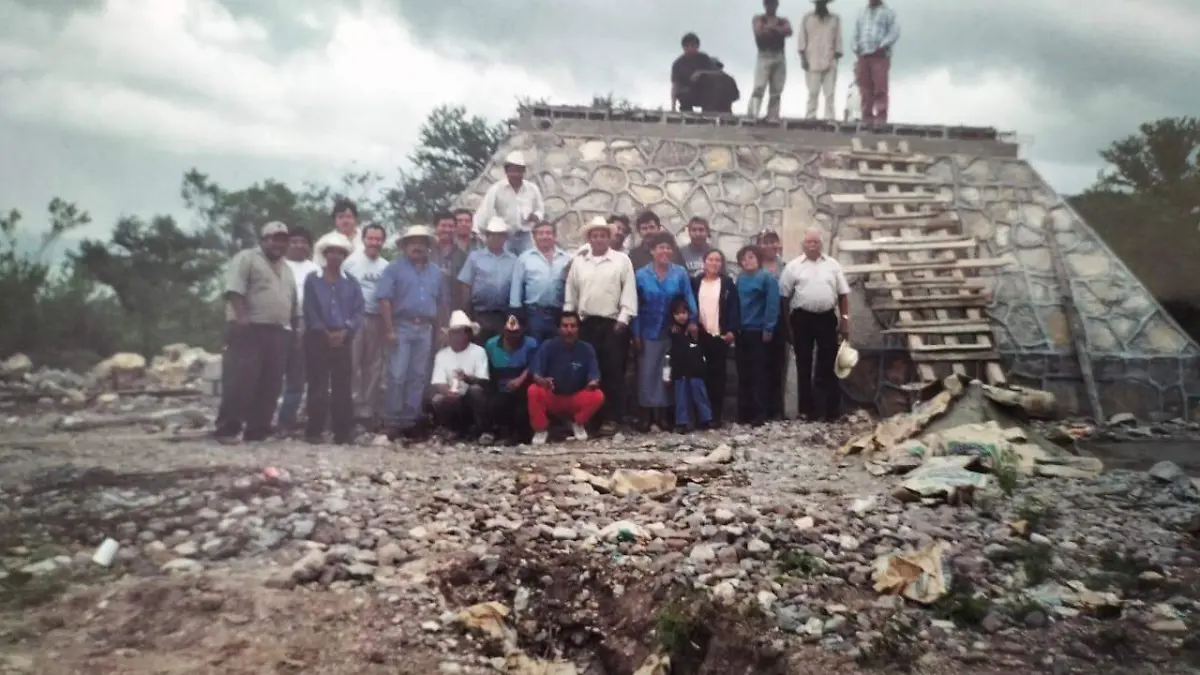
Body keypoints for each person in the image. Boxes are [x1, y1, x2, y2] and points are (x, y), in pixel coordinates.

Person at [214, 221, 298, 443]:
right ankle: (228, 427)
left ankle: (258, 428)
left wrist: (292, 330)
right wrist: (241, 318)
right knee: (240, 380)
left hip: (278, 331)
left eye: (281, 239)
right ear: (263, 240)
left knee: (270, 382)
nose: (277, 244)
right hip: (249, 327)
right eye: (272, 238)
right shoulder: (247, 258)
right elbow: (234, 289)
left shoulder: (287, 268)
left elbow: (292, 302)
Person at [563, 216, 637, 435]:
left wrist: (623, 318)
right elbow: (571, 293)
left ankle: (610, 418)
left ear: (609, 238)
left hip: (613, 324)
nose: (599, 239)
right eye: (594, 236)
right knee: (586, 372)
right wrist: (571, 321)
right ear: (589, 239)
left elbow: (629, 291)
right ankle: (587, 418)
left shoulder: (621, 261)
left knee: (613, 372)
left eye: (603, 235)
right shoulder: (579, 262)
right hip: (585, 324)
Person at [377, 225, 448, 441]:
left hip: (425, 327)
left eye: (422, 242)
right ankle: (392, 421)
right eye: (413, 242)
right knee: (397, 373)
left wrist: (441, 329)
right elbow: (384, 299)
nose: (418, 246)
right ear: (405, 246)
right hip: (402, 325)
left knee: (418, 375)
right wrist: (389, 329)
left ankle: (411, 420)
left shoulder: (436, 272)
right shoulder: (394, 269)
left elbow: (442, 303)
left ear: (428, 246)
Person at [778, 228, 851, 420]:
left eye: (816, 242)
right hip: (802, 320)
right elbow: (784, 298)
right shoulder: (793, 267)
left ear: (821, 244)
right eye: (809, 242)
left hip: (826, 318)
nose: (812, 246)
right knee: (804, 364)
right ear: (803, 245)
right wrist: (788, 327)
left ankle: (830, 410)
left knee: (828, 363)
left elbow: (843, 294)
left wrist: (844, 321)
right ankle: (806, 410)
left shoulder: (833, 265)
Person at [631, 233, 698, 432]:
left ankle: (663, 416)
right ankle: (646, 415)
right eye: (660, 247)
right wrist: (635, 333)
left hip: (672, 331)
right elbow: (634, 305)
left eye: (668, 248)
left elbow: (689, 298)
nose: (665, 251)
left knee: (667, 373)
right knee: (647, 373)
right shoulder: (641, 275)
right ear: (652, 251)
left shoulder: (679, 273)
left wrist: (692, 321)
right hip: (647, 330)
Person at [302, 232, 364, 444]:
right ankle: (314, 431)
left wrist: (346, 330)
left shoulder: (352, 283)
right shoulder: (313, 280)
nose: (336, 256)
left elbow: (358, 310)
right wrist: (324, 332)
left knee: (342, 386)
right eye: (332, 252)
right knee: (317, 384)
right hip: (318, 338)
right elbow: (309, 309)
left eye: (340, 253)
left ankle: (342, 432)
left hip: (344, 337)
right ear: (325, 254)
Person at [527, 312, 605, 445]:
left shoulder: (587, 348)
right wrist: (543, 381)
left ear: (578, 329)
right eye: (565, 326)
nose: (569, 330)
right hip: (552, 396)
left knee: (597, 396)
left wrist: (593, 382)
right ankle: (541, 429)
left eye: (573, 326)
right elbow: (535, 373)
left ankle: (578, 423)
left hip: (575, 397)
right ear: (558, 329)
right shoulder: (548, 346)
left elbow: (594, 375)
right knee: (533, 390)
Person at [344, 223, 389, 427]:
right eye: (370, 238)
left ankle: (366, 411)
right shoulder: (351, 262)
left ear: (383, 241)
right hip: (354, 317)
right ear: (363, 240)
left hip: (376, 318)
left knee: (374, 365)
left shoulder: (386, 266)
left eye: (378, 239)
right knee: (352, 364)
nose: (374, 243)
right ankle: (350, 407)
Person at [277, 226, 320, 432]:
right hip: (278, 324)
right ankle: (259, 422)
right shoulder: (278, 266)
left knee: (297, 376)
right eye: (294, 241)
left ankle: (287, 422)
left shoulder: (315, 269)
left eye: (303, 241)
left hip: (305, 324)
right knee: (271, 375)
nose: (298, 245)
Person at [691, 249, 738, 427]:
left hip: (719, 336)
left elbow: (733, 307)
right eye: (710, 259)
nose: (714, 263)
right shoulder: (695, 282)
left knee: (718, 377)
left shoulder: (727, 283)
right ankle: (701, 415)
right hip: (700, 336)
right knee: (699, 375)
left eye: (718, 260)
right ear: (704, 262)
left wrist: (732, 330)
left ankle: (716, 416)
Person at [734, 245, 780, 427]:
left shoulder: (766, 278)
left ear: (758, 259)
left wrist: (769, 328)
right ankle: (743, 413)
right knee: (743, 372)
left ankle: (759, 413)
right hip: (741, 331)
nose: (748, 261)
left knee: (758, 373)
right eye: (744, 258)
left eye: (751, 257)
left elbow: (772, 303)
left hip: (759, 331)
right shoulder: (740, 279)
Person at [428, 310, 490, 441]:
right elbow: (438, 382)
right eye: (454, 332)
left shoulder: (479, 352)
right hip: (452, 397)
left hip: (470, 397)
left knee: (476, 391)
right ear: (449, 335)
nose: (457, 336)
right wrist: (448, 392)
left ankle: (481, 430)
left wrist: (467, 378)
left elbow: (483, 380)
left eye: (460, 332)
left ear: (468, 334)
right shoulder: (442, 355)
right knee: (437, 399)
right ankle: (449, 430)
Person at [472, 151, 545, 256]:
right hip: (505, 236)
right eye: (512, 171)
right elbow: (486, 210)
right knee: (505, 261)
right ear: (506, 171)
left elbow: (540, 209)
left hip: (525, 235)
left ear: (523, 171)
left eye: (519, 171)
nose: (516, 174)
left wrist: (536, 216)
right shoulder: (497, 189)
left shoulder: (532, 189)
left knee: (529, 260)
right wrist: (485, 231)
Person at [459, 217, 518, 344]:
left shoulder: (514, 260)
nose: (496, 239)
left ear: (505, 238)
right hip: (480, 314)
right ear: (486, 236)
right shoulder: (475, 257)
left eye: (500, 235)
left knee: (500, 352)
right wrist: (467, 313)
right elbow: (466, 285)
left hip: (503, 316)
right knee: (479, 348)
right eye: (492, 235)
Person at [511, 220, 569, 344]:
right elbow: (516, 287)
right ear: (534, 236)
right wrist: (516, 311)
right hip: (534, 314)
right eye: (540, 233)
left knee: (556, 350)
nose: (544, 236)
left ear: (554, 236)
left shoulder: (565, 259)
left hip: (558, 314)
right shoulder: (524, 258)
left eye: (548, 233)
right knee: (534, 351)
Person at [484, 314, 539, 445]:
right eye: (509, 332)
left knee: (522, 407)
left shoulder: (531, 344)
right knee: (494, 402)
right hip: (499, 384)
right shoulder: (491, 345)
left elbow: (534, 365)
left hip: (522, 385)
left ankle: (520, 436)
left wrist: (520, 379)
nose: (512, 336)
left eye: (516, 332)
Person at [756, 229, 790, 420]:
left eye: (772, 242)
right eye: (765, 242)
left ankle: (776, 409)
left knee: (778, 365)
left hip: (780, 321)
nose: (769, 246)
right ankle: (760, 409)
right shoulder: (753, 265)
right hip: (757, 320)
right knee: (760, 365)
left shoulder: (786, 266)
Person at [667, 297, 713, 432]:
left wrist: (696, 335)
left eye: (684, 313)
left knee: (700, 394)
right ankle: (682, 422)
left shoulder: (695, 328)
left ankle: (706, 419)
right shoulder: (672, 331)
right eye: (677, 313)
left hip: (695, 370)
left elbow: (706, 343)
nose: (681, 316)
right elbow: (670, 353)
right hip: (680, 370)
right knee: (681, 397)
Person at [853, 0, 899, 125]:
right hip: (864, 55)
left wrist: (883, 46)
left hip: (879, 55)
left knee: (880, 87)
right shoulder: (861, 12)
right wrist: (856, 48)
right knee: (865, 88)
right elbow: (856, 33)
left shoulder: (888, 12)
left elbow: (894, 32)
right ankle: (866, 116)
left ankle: (881, 116)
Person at [798, 0, 843, 120]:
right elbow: (802, 39)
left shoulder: (835, 19)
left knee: (829, 94)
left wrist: (835, 60)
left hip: (830, 60)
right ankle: (810, 117)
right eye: (818, 2)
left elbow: (838, 41)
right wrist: (803, 58)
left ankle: (829, 118)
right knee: (812, 92)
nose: (820, 4)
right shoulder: (807, 18)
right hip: (812, 60)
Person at [749, 0, 792, 120]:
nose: (771, 6)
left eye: (773, 3)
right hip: (764, 54)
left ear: (776, 5)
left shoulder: (782, 20)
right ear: (765, 5)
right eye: (768, 3)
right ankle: (753, 114)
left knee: (777, 89)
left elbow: (788, 30)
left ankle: (773, 115)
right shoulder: (759, 18)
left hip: (779, 55)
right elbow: (759, 32)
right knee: (759, 86)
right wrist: (777, 30)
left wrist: (770, 29)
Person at [671, 33, 719, 113]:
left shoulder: (704, 58)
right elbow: (675, 86)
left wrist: (701, 73)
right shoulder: (678, 64)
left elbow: (718, 74)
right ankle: (686, 115)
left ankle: (709, 114)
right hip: (688, 93)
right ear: (683, 47)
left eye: (692, 46)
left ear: (697, 47)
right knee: (683, 94)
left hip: (706, 91)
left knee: (714, 90)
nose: (690, 48)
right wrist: (673, 107)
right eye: (687, 46)